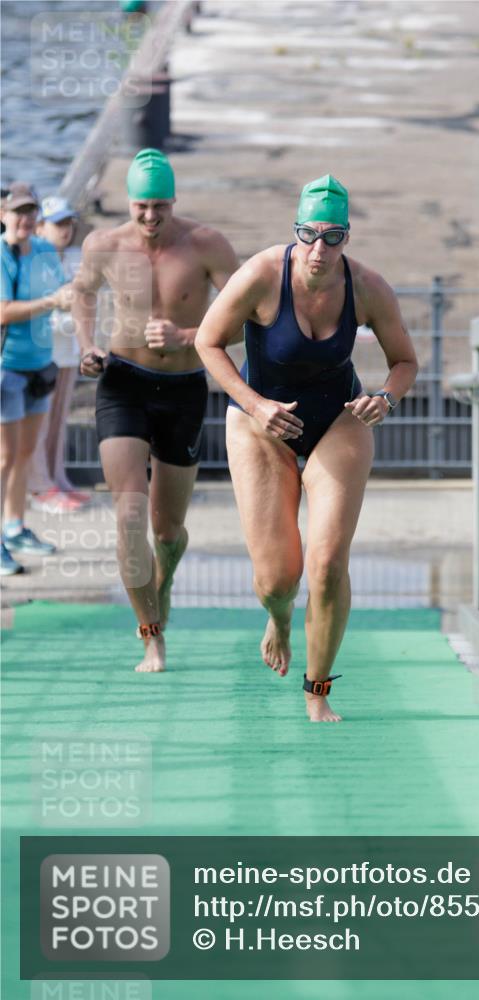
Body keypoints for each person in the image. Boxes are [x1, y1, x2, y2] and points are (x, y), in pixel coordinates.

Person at [195, 175, 418, 722]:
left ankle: (317, 689)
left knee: (326, 563)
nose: (319, 249)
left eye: (332, 236)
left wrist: (386, 397)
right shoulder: (261, 274)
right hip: (260, 424)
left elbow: (405, 361)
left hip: (338, 419)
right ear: (295, 231)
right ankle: (279, 618)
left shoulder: (367, 287)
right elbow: (207, 341)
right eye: (309, 234)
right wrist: (255, 406)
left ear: (347, 237)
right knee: (278, 579)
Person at [72, 148, 239, 672]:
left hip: (184, 389)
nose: (150, 216)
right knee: (128, 516)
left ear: (174, 201)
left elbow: (250, 317)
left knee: (166, 534)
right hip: (122, 383)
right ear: (129, 202)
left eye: (160, 206)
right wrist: (87, 347)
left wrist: (187, 335)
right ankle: (151, 636)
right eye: (141, 206)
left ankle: (163, 580)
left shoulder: (206, 244)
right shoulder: (104, 244)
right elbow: (82, 294)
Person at [0, 182, 72, 577]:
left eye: (30, 212)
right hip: (7, 368)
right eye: (18, 212)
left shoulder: (44, 250)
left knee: (25, 454)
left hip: (41, 365)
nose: (25, 219)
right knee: (4, 457)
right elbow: (3, 311)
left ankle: (14, 527)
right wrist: (51, 302)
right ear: (3, 215)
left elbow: (63, 289)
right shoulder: (1, 255)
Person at [30, 196, 92, 513]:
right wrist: (69, 314)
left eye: (68, 223)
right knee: (38, 424)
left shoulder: (73, 258)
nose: (65, 229)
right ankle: (40, 487)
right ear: (40, 227)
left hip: (67, 353)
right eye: (57, 224)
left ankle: (58, 478)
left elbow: (85, 301)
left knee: (59, 420)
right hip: (43, 354)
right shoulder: (32, 260)